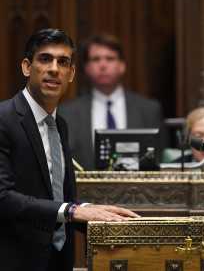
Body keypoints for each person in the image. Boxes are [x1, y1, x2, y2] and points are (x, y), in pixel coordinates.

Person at [0, 28, 138, 271]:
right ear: (26, 67)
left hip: (59, 260)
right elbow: (3, 197)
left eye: (63, 62)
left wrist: (89, 210)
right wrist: (72, 211)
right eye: (45, 59)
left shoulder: (60, 124)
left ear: (71, 73)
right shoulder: (4, 118)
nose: (54, 68)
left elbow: (57, 197)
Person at [59, 34, 165, 170]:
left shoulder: (149, 110)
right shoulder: (67, 113)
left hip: (137, 189)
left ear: (122, 66)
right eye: (96, 59)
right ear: (86, 68)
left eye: (110, 59)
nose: (103, 65)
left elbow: (159, 157)